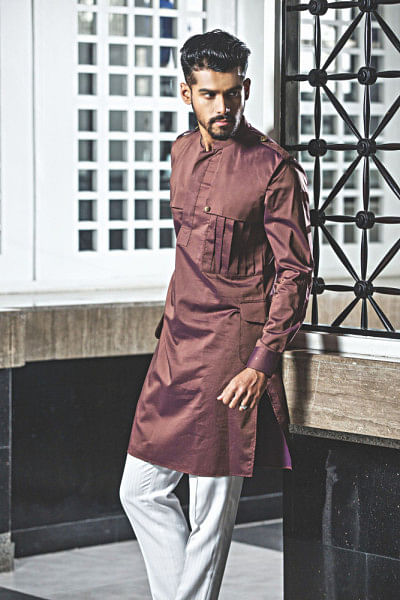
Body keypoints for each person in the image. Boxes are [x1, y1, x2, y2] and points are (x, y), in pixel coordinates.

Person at [119, 28, 313, 600]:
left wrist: (261, 362)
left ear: (245, 89)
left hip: (231, 352)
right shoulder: (180, 151)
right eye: (209, 94)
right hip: (176, 347)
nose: (222, 106)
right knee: (139, 489)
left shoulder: (273, 168)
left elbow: (295, 272)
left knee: (211, 508)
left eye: (232, 93)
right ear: (187, 93)